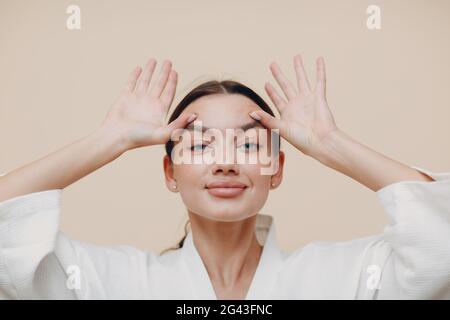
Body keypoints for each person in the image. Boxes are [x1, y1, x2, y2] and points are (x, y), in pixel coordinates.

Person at [0, 55, 449, 300]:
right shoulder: (110, 281)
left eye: (250, 144)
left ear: (277, 170)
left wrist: (331, 143)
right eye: (200, 144)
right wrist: (109, 140)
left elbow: (441, 246)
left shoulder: (340, 277)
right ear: (169, 172)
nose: (226, 162)